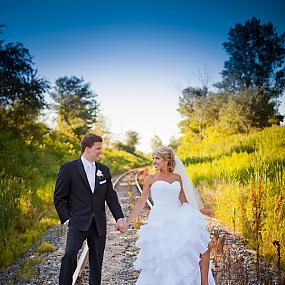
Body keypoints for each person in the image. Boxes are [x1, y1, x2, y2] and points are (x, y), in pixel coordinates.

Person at [121, 146, 216, 285]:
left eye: (157, 158)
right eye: (153, 158)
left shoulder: (177, 178)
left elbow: (184, 201)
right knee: (164, 257)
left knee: (201, 246)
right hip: (159, 220)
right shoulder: (151, 179)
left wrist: (194, 218)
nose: (154, 161)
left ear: (166, 160)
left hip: (178, 217)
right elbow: (141, 202)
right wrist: (127, 222)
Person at [54, 133, 126, 285]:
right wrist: (67, 219)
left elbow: (111, 196)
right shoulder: (69, 168)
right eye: (98, 148)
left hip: (98, 224)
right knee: (69, 255)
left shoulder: (103, 170)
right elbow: (59, 197)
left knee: (96, 262)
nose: (101, 151)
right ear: (87, 149)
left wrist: (119, 218)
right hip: (77, 222)